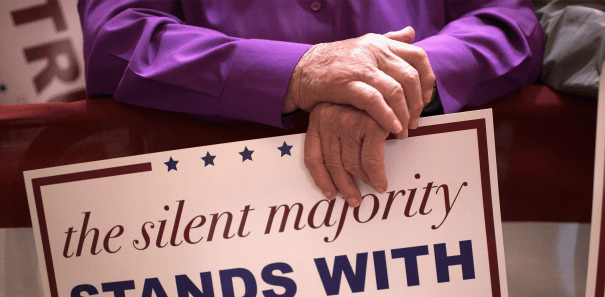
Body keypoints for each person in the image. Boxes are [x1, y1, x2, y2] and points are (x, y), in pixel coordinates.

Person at [78, 0, 543, 207]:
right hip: (221, 234)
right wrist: (302, 72)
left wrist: (389, 78)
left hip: (441, 222)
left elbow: (511, 21)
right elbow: (116, 38)